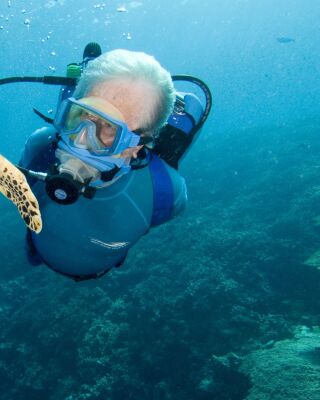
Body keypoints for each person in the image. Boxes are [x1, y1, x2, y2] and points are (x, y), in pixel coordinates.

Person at [19, 48, 194, 281]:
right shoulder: (41, 147)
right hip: (40, 250)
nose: (81, 140)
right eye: (80, 116)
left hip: (100, 269)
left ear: (136, 146)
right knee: (32, 255)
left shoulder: (166, 192)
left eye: (109, 128)